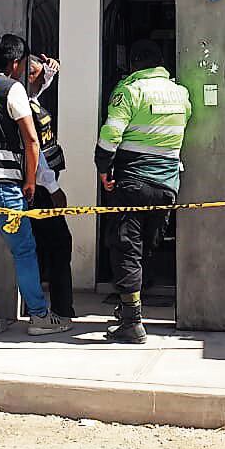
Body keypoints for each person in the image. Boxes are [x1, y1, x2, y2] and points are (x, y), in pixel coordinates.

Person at [0, 33, 72, 341]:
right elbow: (31, 140)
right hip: (1, 187)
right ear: (16, 63)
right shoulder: (12, 89)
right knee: (24, 250)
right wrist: (31, 182)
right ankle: (39, 316)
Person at [95, 40, 191, 344]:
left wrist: (102, 168)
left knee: (125, 247)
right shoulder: (181, 93)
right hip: (167, 184)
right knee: (146, 246)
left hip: (133, 182)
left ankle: (132, 320)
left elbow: (111, 134)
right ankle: (130, 307)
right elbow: (184, 123)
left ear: (134, 64)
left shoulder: (129, 90)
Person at [26, 55, 75, 319]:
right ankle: (60, 308)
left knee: (48, 246)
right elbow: (37, 153)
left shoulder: (31, 99)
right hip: (42, 189)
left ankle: (60, 307)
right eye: (32, 73)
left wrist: (50, 71)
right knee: (58, 244)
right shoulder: (23, 104)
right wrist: (53, 188)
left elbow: (40, 85)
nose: (39, 76)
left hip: (43, 186)